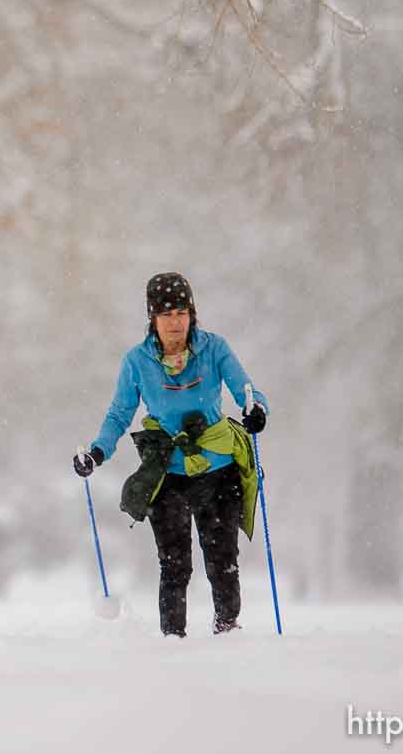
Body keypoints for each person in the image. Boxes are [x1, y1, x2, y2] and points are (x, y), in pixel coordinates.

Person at [71, 271, 269, 637]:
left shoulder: (214, 349)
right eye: (166, 314)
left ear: (192, 314)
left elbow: (247, 390)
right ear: (153, 319)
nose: (175, 321)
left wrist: (255, 410)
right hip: (168, 471)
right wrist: (98, 452)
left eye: (181, 312)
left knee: (223, 561)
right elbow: (119, 414)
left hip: (218, 466)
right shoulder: (137, 362)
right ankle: (172, 641)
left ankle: (228, 631)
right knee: (175, 565)